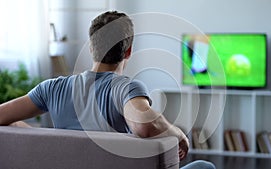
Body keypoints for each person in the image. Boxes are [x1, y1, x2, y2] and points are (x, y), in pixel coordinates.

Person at [0, 11, 215, 169]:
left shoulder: (52, 88)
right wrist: (179, 135)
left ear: (92, 47)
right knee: (204, 166)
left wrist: (34, 135)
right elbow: (144, 125)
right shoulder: (126, 88)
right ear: (129, 51)